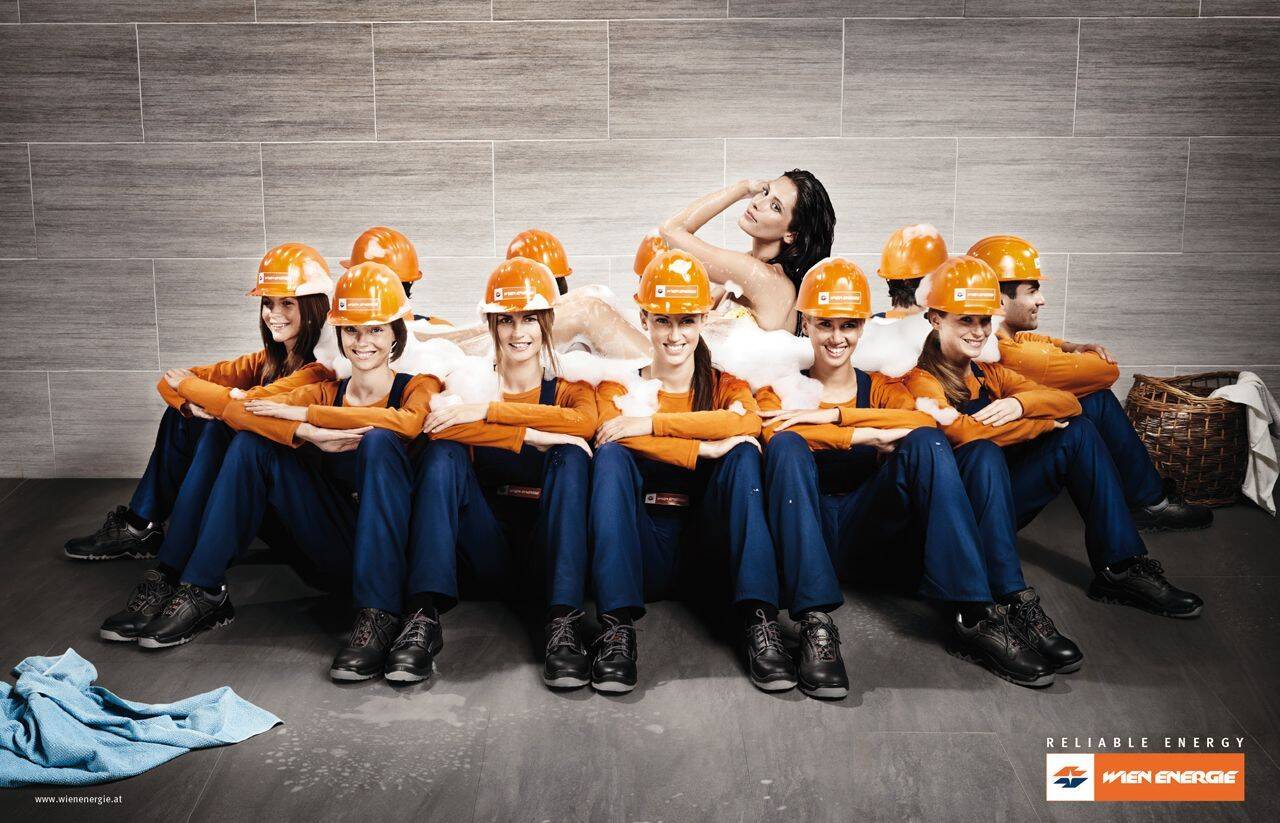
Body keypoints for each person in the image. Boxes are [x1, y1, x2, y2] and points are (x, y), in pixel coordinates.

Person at [99, 263, 444, 684]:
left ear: (395, 335)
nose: (362, 341)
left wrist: (308, 416)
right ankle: (202, 588)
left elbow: (405, 423)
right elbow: (244, 409)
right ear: (338, 334)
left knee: (377, 440)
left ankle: (379, 615)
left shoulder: (419, 385)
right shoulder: (323, 388)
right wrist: (302, 431)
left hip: (393, 557)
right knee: (250, 443)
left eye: (375, 330)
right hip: (331, 546)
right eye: (352, 330)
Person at [758, 258, 1075, 690]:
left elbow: (923, 422)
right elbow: (772, 430)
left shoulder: (883, 385)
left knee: (928, 442)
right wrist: (865, 435)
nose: (836, 337)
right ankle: (814, 622)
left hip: (865, 529)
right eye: (824, 324)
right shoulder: (777, 387)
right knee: (788, 444)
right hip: (802, 535)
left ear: (861, 328)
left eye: (848, 325)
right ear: (806, 325)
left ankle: (973, 613)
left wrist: (833, 417)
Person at [902, 256, 1204, 621]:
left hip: (999, 504)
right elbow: (961, 432)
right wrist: (1039, 424)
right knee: (990, 449)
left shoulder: (989, 373)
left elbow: (1069, 405)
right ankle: (997, 595)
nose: (979, 331)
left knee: (1079, 431)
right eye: (966, 320)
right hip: (955, 522)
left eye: (984, 320)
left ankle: (1120, 567)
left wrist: (1020, 404)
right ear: (936, 319)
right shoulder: (919, 379)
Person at [588, 250, 792, 694]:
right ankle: (616, 628)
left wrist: (652, 424)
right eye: (663, 321)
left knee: (742, 453)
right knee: (611, 457)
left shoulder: (725, 384)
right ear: (644, 319)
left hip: (707, 551)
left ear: (703, 320)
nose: (675, 335)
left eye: (686, 321)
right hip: (642, 549)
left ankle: (759, 618)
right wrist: (702, 447)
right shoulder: (619, 385)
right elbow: (608, 434)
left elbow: (747, 422)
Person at [65, 243, 334, 567]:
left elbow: (246, 405)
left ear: (314, 307)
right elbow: (171, 381)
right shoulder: (267, 361)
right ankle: (142, 526)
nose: (273, 314)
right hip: (249, 494)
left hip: (288, 505)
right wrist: (189, 403)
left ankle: (176, 549)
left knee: (218, 428)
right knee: (182, 416)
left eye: (287, 303)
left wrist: (192, 390)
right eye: (267, 302)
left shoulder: (320, 371)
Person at [399, 257, 599, 688]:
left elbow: (583, 424)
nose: (517, 331)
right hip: (485, 545)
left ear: (547, 323)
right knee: (444, 453)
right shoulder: (469, 384)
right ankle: (423, 615)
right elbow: (440, 427)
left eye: (529, 319)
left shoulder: (570, 388)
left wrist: (490, 413)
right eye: (506, 319)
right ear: (491, 324)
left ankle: (563, 621)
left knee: (572, 456)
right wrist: (533, 435)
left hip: (549, 550)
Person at [967, 234, 1211, 532]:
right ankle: (1151, 503)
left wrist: (1070, 346)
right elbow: (1107, 371)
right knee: (1099, 402)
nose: (1041, 300)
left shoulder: (996, 341)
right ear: (1000, 300)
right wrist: (1077, 353)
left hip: (1008, 454)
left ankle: (1147, 499)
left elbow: (1032, 340)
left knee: (1095, 402)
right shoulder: (1014, 355)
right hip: (1010, 471)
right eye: (1032, 291)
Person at [657, 172, 836, 331]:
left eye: (775, 206)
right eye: (765, 192)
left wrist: (744, 188)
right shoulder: (753, 266)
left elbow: (670, 231)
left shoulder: (761, 276)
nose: (758, 203)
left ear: (791, 235)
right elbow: (700, 307)